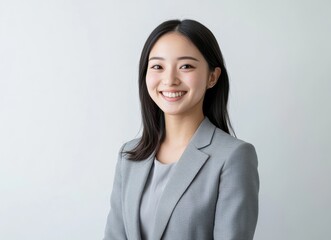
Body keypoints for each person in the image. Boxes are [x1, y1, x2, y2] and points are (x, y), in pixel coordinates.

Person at [104, 19, 259, 240]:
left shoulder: (233, 157)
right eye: (158, 66)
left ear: (212, 77)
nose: (169, 80)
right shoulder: (129, 156)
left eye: (186, 66)